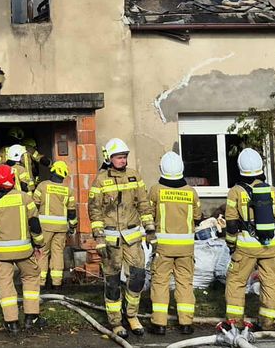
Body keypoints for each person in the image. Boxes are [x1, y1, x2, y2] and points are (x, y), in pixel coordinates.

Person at [88, 137, 154, 338]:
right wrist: (99, 238)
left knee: (138, 277)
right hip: (111, 241)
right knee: (113, 282)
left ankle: (132, 315)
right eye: (118, 157)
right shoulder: (100, 180)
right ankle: (115, 321)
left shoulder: (135, 176)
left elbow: (143, 203)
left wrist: (150, 229)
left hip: (133, 237)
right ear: (109, 158)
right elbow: (94, 209)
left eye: (124, 157)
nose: (123, 161)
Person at [223, 148, 275, 331]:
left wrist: (231, 244)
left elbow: (232, 223)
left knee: (236, 282)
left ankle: (235, 322)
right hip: (271, 246)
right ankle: (267, 322)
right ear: (261, 167)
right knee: (270, 283)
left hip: (245, 247)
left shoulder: (235, 192)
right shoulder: (273, 191)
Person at [0, 164, 46, 334]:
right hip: (25, 251)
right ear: (13, 179)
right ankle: (32, 317)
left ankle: (12, 323)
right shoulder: (25, 198)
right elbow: (35, 224)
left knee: (5, 284)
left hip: (1, 253)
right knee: (31, 277)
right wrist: (38, 244)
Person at [148, 151, 202, 335]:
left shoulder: (156, 190)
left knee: (160, 282)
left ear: (161, 169)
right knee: (185, 283)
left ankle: (159, 323)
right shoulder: (191, 192)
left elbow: (148, 214)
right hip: (186, 248)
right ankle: (186, 323)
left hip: (163, 247)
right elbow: (197, 217)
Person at [32, 160, 76, 289]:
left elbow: (34, 205)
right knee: (58, 254)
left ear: (52, 172)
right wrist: (73, 225)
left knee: (42, 253)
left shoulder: (42, 186)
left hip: (45, 227)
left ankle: (41, 282)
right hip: (61, 228)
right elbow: (72, 211)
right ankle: (57, 283)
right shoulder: (68, 190)